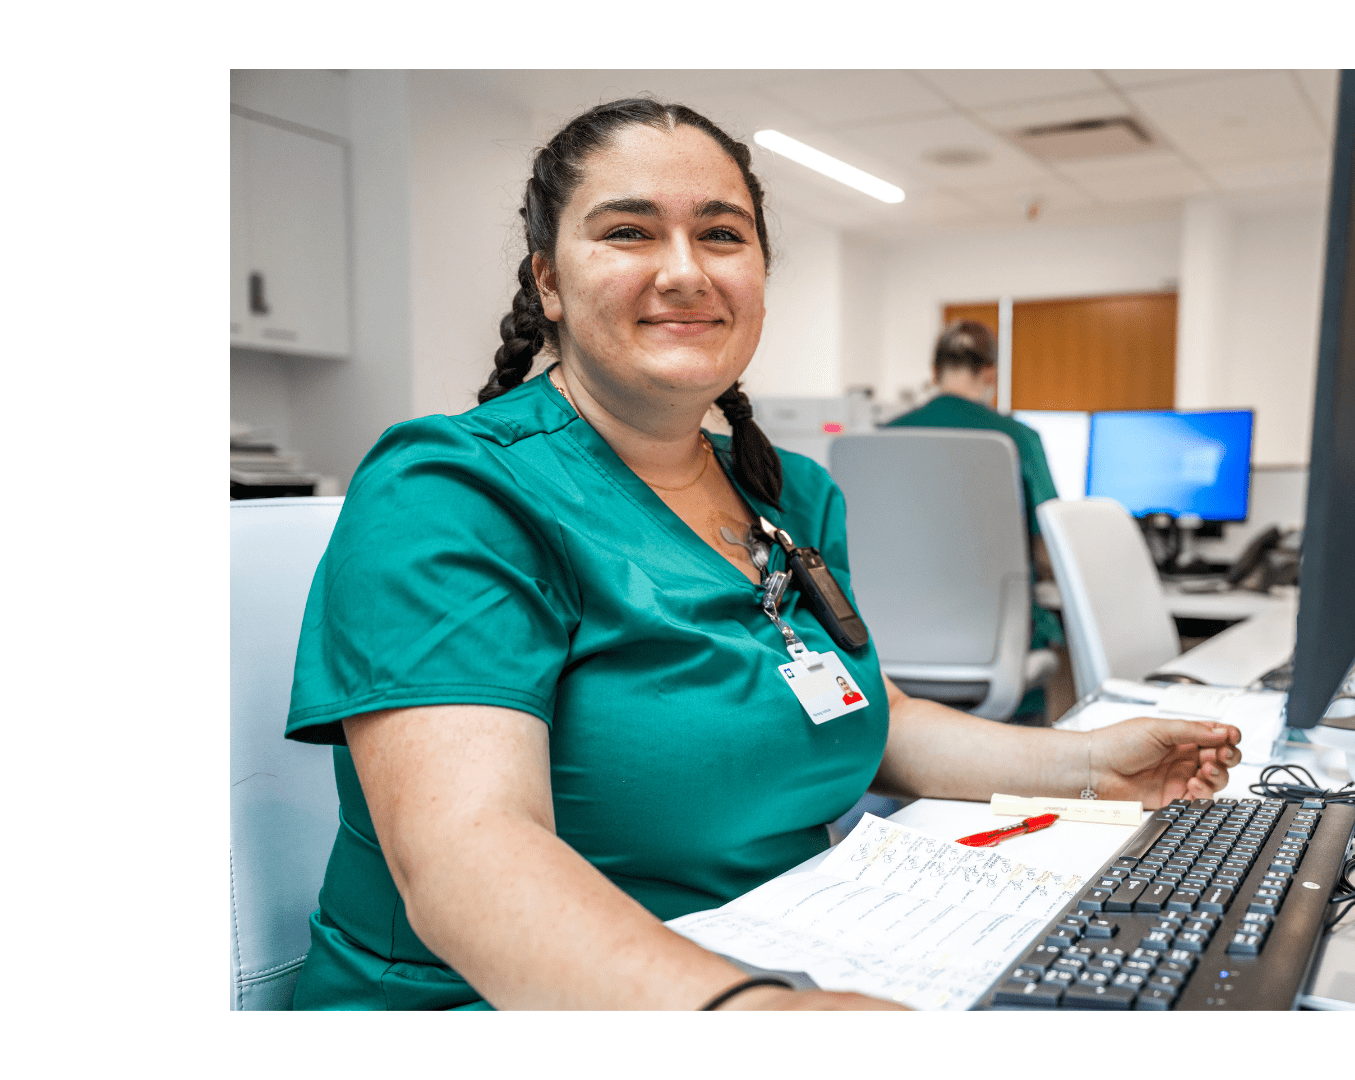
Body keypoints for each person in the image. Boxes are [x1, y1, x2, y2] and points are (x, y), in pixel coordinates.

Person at [282, 98, 1242, 1011]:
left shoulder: (788, 496)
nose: (685, 271)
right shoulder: (453, 492)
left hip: (775, 953)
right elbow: (465, 854)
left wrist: (1088, 766)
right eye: (628, 232)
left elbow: (877, 716)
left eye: (721, 234)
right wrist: (747, 1014)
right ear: (548, 283)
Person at [887, 321, 1065, 720]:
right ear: (990, 374)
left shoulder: (884, 437)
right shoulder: (1018, 439)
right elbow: (1050, 553)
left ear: (934, 374)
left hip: (896, 657)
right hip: (1000, 654)